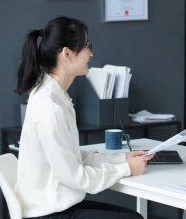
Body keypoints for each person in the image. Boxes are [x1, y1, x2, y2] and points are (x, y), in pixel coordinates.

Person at [14, 16, 153, 219]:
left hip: (57, 205)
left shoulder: (54, 95)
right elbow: (75, 177)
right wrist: (125, 169)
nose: (91, 53)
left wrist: (121, 159)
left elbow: (72, 158)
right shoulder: (50, 107)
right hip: (48, 213)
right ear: (67, 54)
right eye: (88, 46)